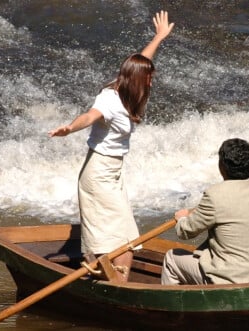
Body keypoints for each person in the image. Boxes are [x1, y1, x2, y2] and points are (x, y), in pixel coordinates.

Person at [48, 11, 174, 284]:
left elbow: (144, 61)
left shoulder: (130, 88)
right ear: (137, 79)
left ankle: (119, 284)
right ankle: (108, 286)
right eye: (148, 78)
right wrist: (70, 128)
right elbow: (90, 116)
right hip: (98, 172)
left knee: (126, 236)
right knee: (105, 236)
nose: (152, 81)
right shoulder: (109, 98)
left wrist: (159, 37)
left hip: (114, 171)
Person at [161, 138, 249, 285]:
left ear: (222, 166)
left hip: (229, 280)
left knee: (171, 259)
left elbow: (185, 232)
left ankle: (177, 307)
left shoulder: (214, 194)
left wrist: (182, 218)